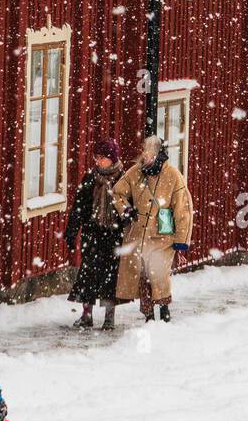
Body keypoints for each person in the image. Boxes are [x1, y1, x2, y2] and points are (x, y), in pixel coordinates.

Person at [112, 135, 192, 322]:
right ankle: (148, 314)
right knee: (142, 275)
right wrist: (126, 210)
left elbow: (182, 210)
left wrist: (181, 241)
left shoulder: (173, 176)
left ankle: (163, 309)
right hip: (138, 234)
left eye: (149, 152)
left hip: (162, 236)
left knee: (158, 273)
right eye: (144, 151)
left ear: (158, 154)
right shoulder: (135, 172)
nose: (144, 156)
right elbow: (117, 192)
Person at [65, 139, 125, 330]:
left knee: (110, 277)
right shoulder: (90, 178)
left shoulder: (124, 179)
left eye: (102, 158)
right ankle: (86, 315)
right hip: (92, 234)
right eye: (96, 157)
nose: (98, 161)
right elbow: (79, 208)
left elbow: (129, 207)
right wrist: (72, 230)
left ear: (112, 158)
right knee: (88, 275)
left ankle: (109, 318)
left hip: (114, 235)